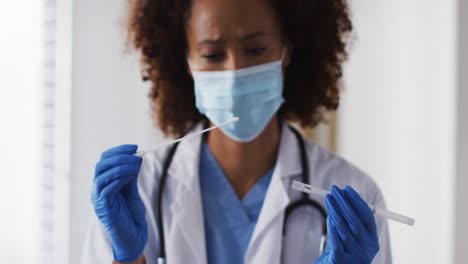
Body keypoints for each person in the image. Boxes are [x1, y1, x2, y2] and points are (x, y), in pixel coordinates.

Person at [81, 0, 392, 263]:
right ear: (186, 61)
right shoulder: (138, 190)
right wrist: (130, 258)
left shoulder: (355, 195)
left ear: (287, 51)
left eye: (255, 49)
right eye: (213, 55)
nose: (234, 72)